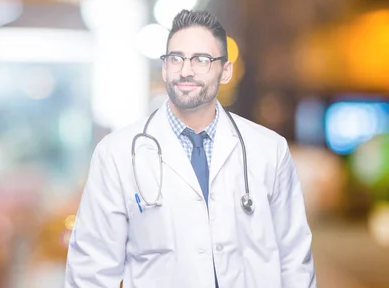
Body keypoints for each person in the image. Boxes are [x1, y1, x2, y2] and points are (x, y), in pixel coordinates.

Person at [64, 9, 317, 288]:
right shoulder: (116, 154)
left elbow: (295, 260)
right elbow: (91, 270)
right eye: (176, 59)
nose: (186, 70)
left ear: (225, 70)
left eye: (201, 60)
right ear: (164, 67)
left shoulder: (270, 150)